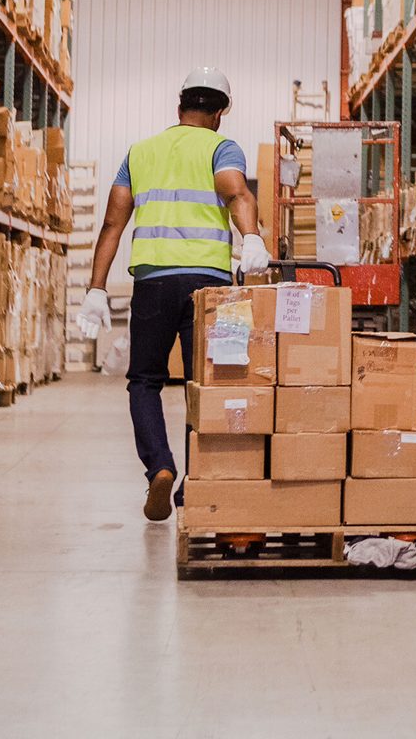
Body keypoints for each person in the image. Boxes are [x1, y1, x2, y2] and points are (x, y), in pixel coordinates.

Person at [77, 68, 270, 522]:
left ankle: (160, 467)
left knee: (144, 380)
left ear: (179, 106)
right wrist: (252, 237)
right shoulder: (223, 147)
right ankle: (195, 480)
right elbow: (236, 191)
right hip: (213, 288)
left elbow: (112, 223)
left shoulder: (139, 153)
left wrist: (96, 289)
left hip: (153, 283)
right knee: (212, 382)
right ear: (220, 112)